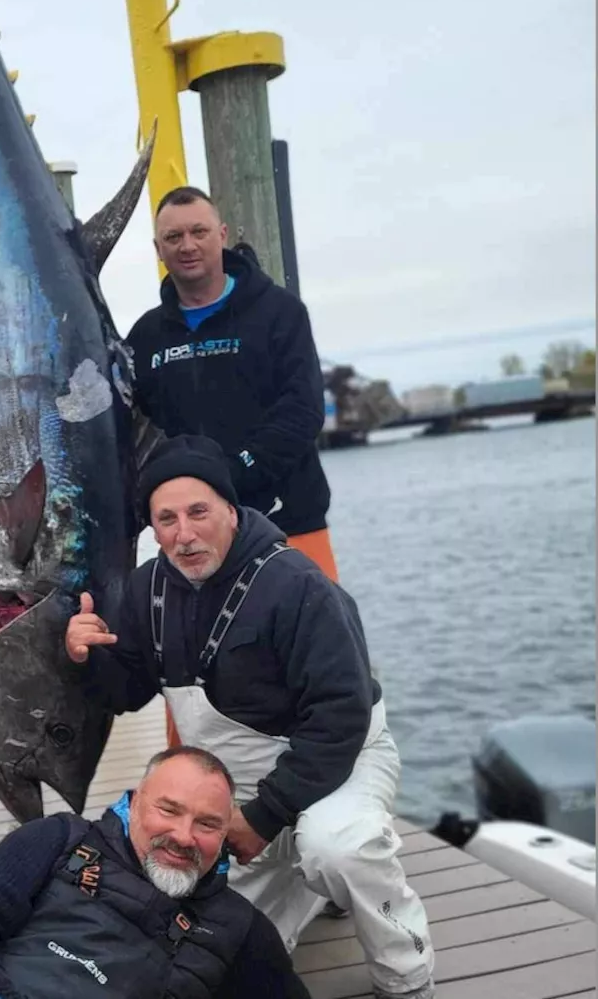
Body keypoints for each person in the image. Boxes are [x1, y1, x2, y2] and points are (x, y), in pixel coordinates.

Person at [65, 435, 434, 999]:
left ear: (232, 512)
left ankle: (406, 977)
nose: (184, 534)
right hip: (234, 791)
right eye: (166, 519)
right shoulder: (147, 590)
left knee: (339, 845)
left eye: (198, 512)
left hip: (339, 762)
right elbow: (129, 691)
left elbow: (340, 718)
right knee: (204, 948)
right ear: (152, 530)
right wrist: (87, 659)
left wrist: (265, 816)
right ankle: (309, 885)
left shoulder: (300, 586)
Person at [0, 746, 311, 999]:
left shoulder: (242, 929)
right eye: (168, 810)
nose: (183, 836)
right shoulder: (58, 837)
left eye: (207, 824)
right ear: (135, 803)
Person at [125, 186, 339, 582]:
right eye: (174, 237)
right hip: (193, 538)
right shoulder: (144, 336)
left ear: (222, 235)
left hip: (287, 521)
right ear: (158, 249)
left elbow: (302, 411)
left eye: (199, 232)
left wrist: (232, 472)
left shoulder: (280, 312)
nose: (187, 245)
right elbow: (131, 434)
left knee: (313, 639)